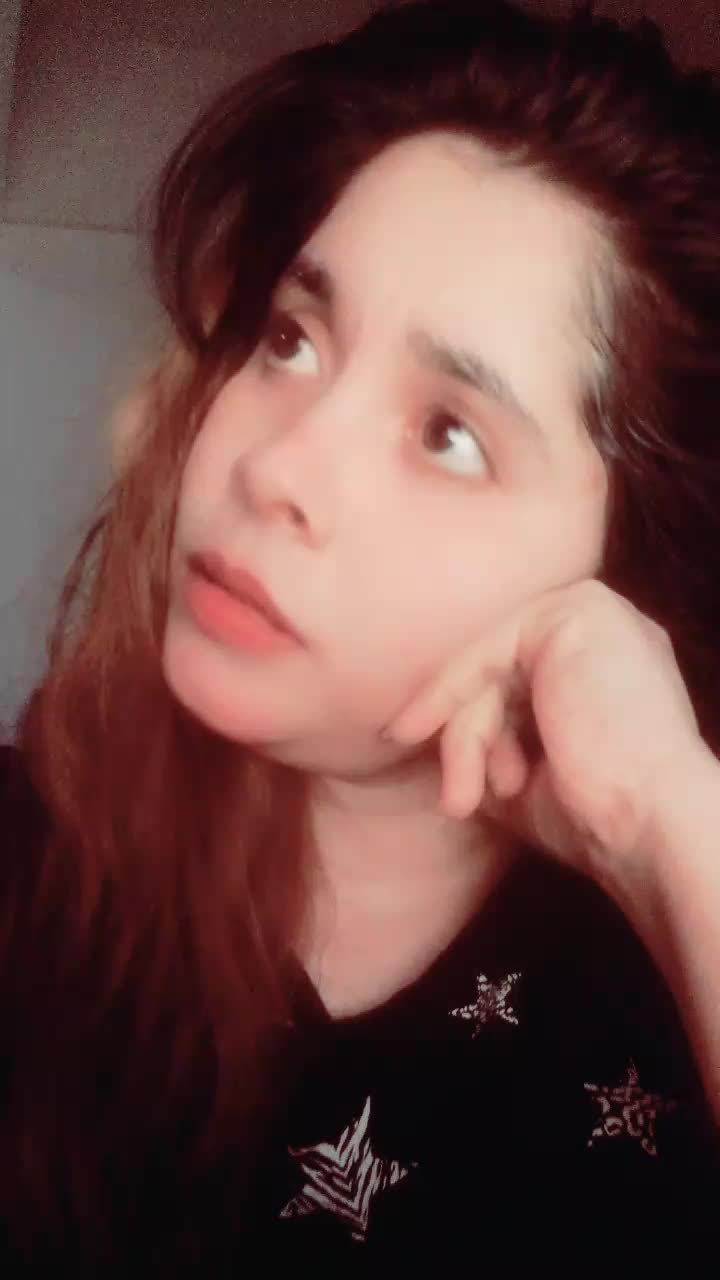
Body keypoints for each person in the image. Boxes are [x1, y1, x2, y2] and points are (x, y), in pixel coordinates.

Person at [1, 0, 719, 1269]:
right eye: (291, 339)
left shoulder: (666, 985)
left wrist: (673, 826)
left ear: (627, 585)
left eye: (448, 432)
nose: (275, 463)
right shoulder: (31, 857)